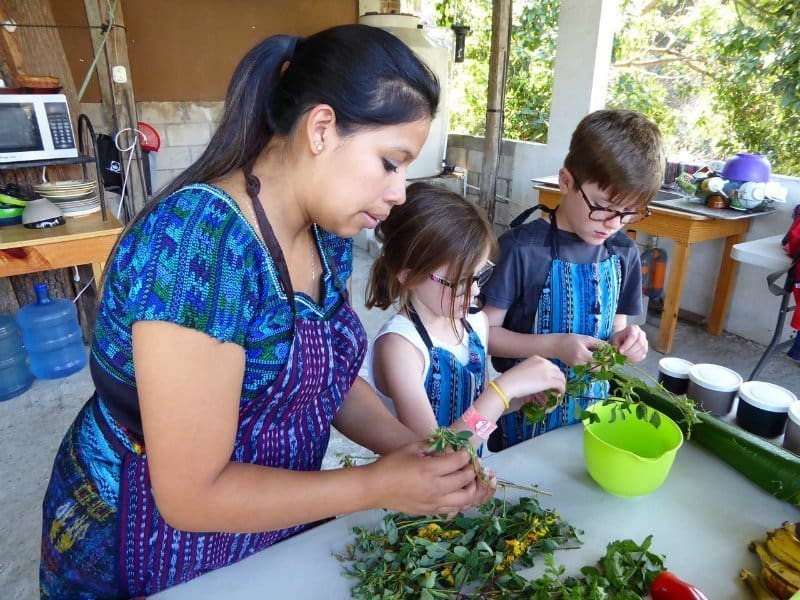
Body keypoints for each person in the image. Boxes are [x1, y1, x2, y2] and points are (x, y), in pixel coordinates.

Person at [40, 25, 494, 598]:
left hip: (263, 523)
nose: (400, 192)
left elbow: (325, 377)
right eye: (390, 162)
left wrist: (411, 451)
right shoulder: (198, 248)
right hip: (146, 542)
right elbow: (190, 496)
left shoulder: (323, 229)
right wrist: (375, 486)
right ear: (322, 129)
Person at [482, 109, 664, 450]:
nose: (613, 222)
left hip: (593, 420)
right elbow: (485, 337)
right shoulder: (522, 249)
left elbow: (614, 332)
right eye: (604, 206)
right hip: (525, 417)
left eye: (628, 213)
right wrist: (554, 346)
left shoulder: (623, 252)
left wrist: (629, 342)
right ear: (566, 182)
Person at [365, 182, 566, 447]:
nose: (474, 291)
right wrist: (503, 390)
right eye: (460, 282)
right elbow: (440, 451)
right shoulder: (400, 347)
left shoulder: (474, 322)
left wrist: (521, 397)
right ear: (410, 275)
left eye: (480, 275)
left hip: (467, 479)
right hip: (422, 484)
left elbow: (474, 410)